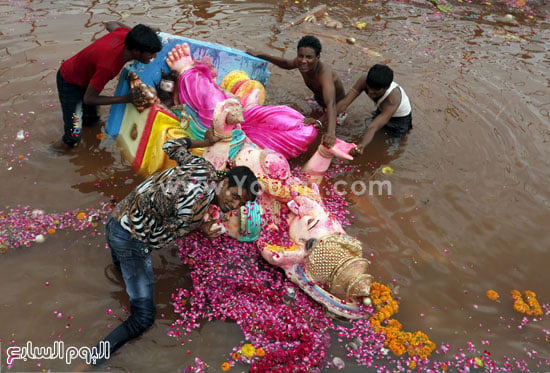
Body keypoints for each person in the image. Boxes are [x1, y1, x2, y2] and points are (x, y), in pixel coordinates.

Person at [93, 128, 259, 365]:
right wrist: (200, 229)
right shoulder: (196, 205)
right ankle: (89, 362)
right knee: (144, 318)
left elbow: (170, 146)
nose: (233, 204)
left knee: (123, 270)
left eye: (240, 203)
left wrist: (203, 141)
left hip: (118, 217)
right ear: (224, 182)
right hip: (129, 238)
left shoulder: (204, 167)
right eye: (234, 196)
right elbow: (160, 239)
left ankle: (124, 280)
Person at [51, 21, 162, 152]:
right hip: (69, 82)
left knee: (93, 121)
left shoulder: (126, 35)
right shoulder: (108, 66)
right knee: (73, 137)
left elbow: (110, 24)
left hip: (86, 79)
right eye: (150, 53)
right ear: (136, 51)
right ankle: (48, 155)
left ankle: (90, 146)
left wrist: (141, 38)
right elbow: (89, 99)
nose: (154, 56)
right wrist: (126, 98)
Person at [247, 35, 346, 148]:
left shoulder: (324, 74)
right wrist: (261, 55)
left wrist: (331, 133)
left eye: (309, 57)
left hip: (336, 111)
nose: (303, 61)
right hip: (318, 102)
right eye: (300, 56)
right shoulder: (302, 64)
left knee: (319, 137)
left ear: (317, 58)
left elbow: (331, 104)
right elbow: (285, 64)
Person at [337, 64, 412, 157]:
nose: (370, 92)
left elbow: (374, 126)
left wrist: (362, 145)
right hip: (382, 110)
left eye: (375, 90)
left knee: (391, 145)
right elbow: (344, 103)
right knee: (370, 131)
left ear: (387, 88)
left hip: (399, 120)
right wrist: (320, 121)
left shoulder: (393, 99)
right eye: (369, 87)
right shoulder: (364, 80)